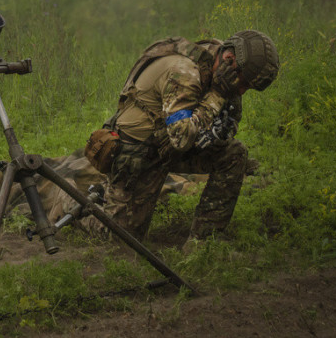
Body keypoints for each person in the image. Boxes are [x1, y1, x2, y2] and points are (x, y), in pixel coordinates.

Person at [101, 31, 279, 248]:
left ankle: (202, 244)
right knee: (119, 240)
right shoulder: (185, 73)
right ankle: (66, 200)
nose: (241, 90)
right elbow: (182, 139)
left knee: (234, 153)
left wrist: (223, 115)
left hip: (170, 145)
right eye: (243, 84)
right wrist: (217, 96)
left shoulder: (221, 64)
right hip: (139, 153)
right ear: (229, 60)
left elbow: (227, 126)